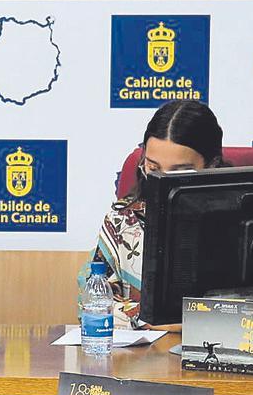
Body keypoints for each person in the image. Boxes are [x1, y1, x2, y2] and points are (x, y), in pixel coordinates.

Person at [86, 100, 225, 328]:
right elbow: (96, 301)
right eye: (153, 168)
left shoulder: (239, 224)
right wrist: (157, 323)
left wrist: (183, 323)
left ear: (212, 166)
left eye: (181, 172)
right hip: (140, 357)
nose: (163, 183)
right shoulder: (122, 221)